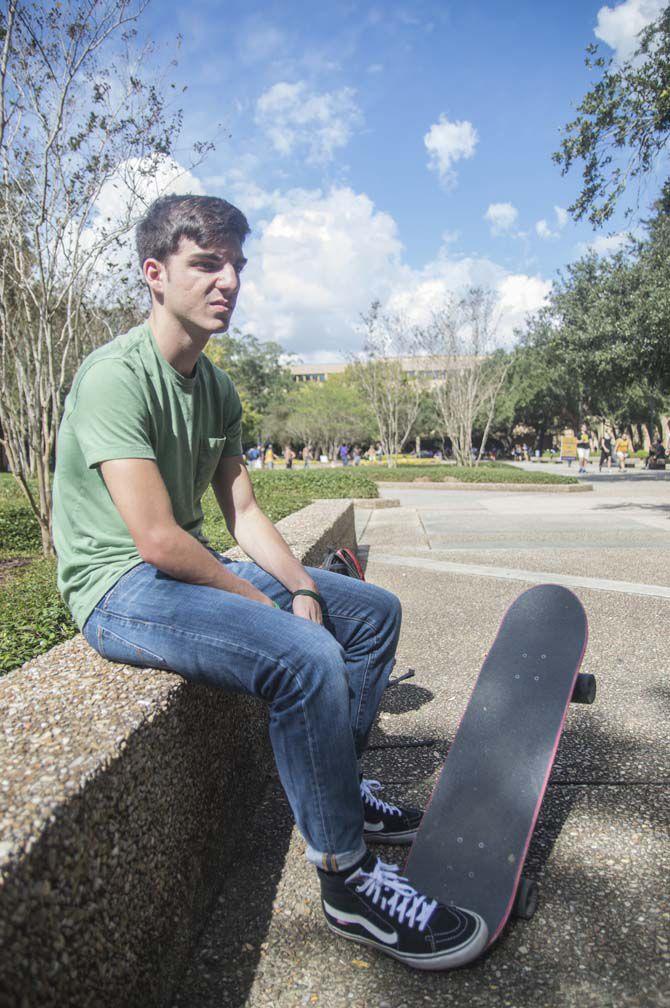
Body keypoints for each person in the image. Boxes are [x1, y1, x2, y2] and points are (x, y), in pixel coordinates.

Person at [51, 194, 486, 970]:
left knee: (371, 614)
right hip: (120, 590)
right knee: (304, 656)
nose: (229, 282)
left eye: (237, 266)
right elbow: (154, 539)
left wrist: (306, 590)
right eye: (206, 264)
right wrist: (275, 611)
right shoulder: (115, 376)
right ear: (155, 274)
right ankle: (348, 884)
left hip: (177, 569)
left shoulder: (215, 388)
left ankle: (338, 794)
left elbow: (243, 510)